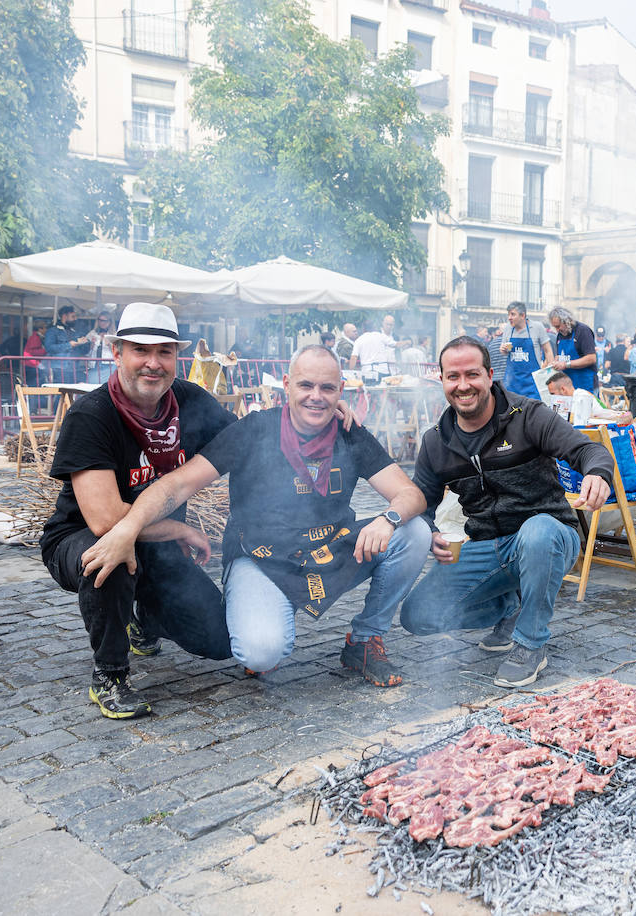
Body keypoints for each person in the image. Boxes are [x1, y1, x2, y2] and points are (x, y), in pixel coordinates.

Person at [81, 345, 430, 687]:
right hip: (260, 557)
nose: (316, 396)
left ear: (341, 390)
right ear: (286, 384)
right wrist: (129, 526)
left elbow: (410, 494)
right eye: (306, 385)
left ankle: (364, 642)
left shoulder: (350, 433)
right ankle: (266, 607)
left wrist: (389, 519)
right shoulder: (254, 429)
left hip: (329, 551)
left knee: (414, 532)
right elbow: (178, 485)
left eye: (327, 388)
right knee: (261, 653)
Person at [40, 303, 238, 719]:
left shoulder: (188, 401)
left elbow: (247, 438)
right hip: (80, 538)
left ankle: (145, 618)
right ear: (117, 353)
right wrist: (180, 532)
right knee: (111, 553)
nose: (153, 363)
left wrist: (316, 416)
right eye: (140, 350)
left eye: (164, 352)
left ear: (176, 357)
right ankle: (110, 675)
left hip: (157, 546)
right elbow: (106, 519)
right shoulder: (91, 416)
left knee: (219, 641)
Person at [401, 338, 614, 688]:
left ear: (488, 375)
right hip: (489, 548)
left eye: (472, 374)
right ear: (441, 380)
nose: (463, 385)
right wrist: (429, 534)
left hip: (551, 536)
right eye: (453, 376)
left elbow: (588, 450)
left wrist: (596, 473)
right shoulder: (436, 441)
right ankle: (509, 607)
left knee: (538, 533)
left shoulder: (527, 415)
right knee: (417, 615)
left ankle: (531, 644)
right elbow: (419, 505)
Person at [499, 302, 554, 400]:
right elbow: (504, 351)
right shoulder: (508, 328)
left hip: (532, 382)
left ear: (523, 315)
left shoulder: (537, 327)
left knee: (533, 411)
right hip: (512, 382)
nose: (509, 318)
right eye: (508, 314)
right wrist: (503, 349)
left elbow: (548, 350)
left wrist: (550, 372)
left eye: (512, 314)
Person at [545, 371, 631, 426]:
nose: (552, 398)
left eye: (553, 394)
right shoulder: (565, 402)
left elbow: (601, 416)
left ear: (563, 389)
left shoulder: (582, 397)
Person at [547, 307, 599, 393]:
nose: (557, 330)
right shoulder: (560, 336)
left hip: (585, 384)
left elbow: (591, 358)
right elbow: (561, 356)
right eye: (555, 327)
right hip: (568, 387)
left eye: (558, 326)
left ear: (567, 321)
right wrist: (555, 362)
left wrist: (566, 364)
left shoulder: (583, 331)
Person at [44, 305, 91, 384]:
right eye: (73, 316)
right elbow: (49, 348)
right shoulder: (52, 331)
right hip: (59, 369)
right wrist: (69, 345)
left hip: (75, 368)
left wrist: (87, 343)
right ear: (64, 316)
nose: (75, 319)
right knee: (61, 394)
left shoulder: (75, 332)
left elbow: (84, 351)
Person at [350, 315, 402, 381]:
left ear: (363, 329)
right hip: (382, 371)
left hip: (367, 371)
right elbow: (396, 344)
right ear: (374, 327)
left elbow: (354, 357)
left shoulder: (359, 340)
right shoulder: (380, 336)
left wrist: (351, 373)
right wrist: (407, 342)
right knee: (383, 389)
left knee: (369, 389)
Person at [85, 310, 116, 384]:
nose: (102, 323)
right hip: (94, 364)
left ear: (110, 322)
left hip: (109, 365)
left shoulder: (114, 334)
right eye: (100, 320)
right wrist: (90, 346)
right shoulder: (92, 333)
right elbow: (85, 352)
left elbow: (120, 353)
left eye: (105, 321)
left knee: (107, 388)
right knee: (92, 388)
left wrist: (110, 345)